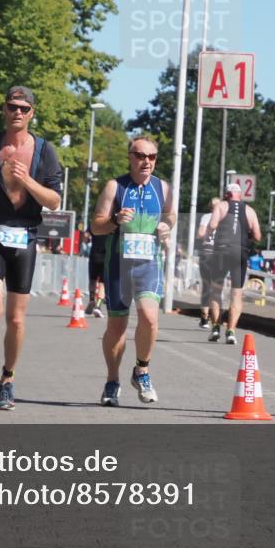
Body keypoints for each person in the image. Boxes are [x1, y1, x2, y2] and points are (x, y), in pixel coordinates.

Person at [0, 86, 63, 411]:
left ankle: (7, 378)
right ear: (4, 109)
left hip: (25, 238)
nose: (18, 112)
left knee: (16, 319)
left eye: (24, 108)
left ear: (32, 113)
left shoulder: (44, 151)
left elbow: (54, 201)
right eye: (12, 106)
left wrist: (28, 180)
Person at [90, 136, 173, 406]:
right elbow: (96, 226)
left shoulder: (163, 188)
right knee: (117, 326)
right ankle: (112, 380)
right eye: (140, 156)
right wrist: (115, 220)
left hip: (149, 264)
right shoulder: (115, 186)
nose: (146, 161)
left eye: (152, 157)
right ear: (130, 157)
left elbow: (170, 215)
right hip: (118, 265)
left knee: (149, 318)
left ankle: (142, 370)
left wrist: (166, 226)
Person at [206, 183, 261, 345]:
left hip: (222, 251)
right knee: (237, 293)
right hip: (240, 252)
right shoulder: (250, 211)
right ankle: (231, 331)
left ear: (227, 195)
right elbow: (257, 236)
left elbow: (212, 225)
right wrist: (245, 235)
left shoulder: (221, 206)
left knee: (216, 290)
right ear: (240, 195)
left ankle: (216, 327)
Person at [195, 198, 221, 330]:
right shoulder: (224, 218)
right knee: (217, 287)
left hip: (207, 252)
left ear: (210, 206)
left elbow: (200, 234)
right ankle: (217, 319)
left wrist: (207, 234)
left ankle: (204, 318)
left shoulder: (206, 217)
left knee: (206, 286)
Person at [85, 233, 107, 319]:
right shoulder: (111, 226)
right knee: (102, 283)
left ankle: (91, 299)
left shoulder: (94, 225)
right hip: (106, 255)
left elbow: (86, 236)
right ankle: (98, 306)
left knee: (92, 280)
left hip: (94, 254)